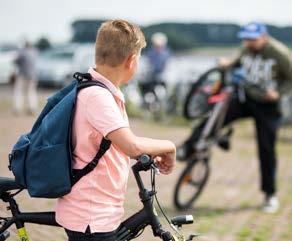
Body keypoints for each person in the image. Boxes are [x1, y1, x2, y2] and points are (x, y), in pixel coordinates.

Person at [55, 20, 176, 241]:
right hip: (91, 218)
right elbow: (131, 146)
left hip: (97, 213)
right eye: (138, 58)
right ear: (131, 61)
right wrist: (170, 146)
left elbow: (121, 141)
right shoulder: (98, 97)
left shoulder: (101, 90)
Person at [177, 22, 292, 213]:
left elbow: (290, 79)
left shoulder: (279, 53)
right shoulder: (246, 48)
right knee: (214, 117)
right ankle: (188, 148)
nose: (248, 42)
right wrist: (226, 64)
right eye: (246, 38)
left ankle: (269, 195)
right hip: (245, 97)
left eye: (252, 39)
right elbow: (235, 61)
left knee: (266, 148)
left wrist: (278, 93)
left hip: (268, 105)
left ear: (264, 37)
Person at [13, 41, 38, 115]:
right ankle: (32, 108)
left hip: (22, 75)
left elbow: (16, 61)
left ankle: (17, 108)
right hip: (33, 75)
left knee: (18, 92)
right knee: (31, 92)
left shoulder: (22, 52)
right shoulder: (35, 52)